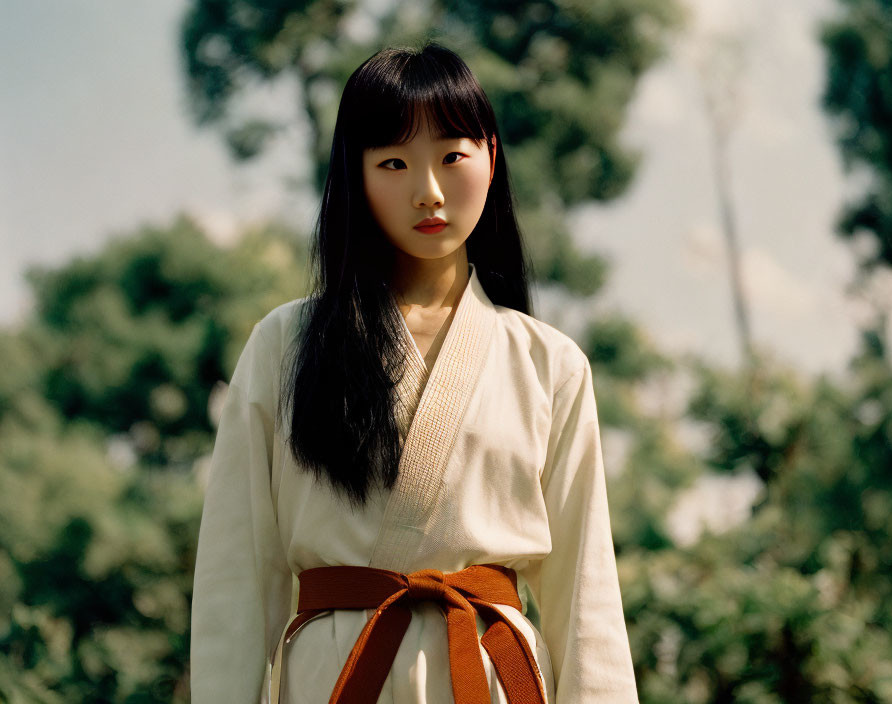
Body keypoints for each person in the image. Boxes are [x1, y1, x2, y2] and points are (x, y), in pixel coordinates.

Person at [189, 41, 640, 704]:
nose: (427, 191)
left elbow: (586, 598)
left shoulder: (551, 365)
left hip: (487, 672)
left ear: (490, 154)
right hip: (335, 678)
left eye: (452, 156)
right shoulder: (284, 345)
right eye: (394, 162)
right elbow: (236, 578)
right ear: (357, 176)